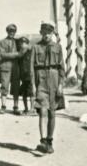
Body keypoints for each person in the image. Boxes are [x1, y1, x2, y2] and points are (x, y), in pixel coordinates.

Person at [30, 22, 65, 154]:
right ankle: (43, 140)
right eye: (44, 33)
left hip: (54, 80)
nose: (46, 35)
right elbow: (31, 69)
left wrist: (61, 84)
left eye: (49, 33)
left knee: (52, 112)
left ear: (52, 34)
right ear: (41, 33)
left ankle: (49, 141)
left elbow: (62, 68)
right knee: (43, 111)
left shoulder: (58, 47)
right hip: (41, 80)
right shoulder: (35, 47)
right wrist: (33, 85)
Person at [0, 24, 21, 113]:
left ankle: (16, 107)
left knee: (16, 87)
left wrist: (17, 54)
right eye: (10, 31)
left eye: (13, 31)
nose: (12, 33)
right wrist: (16, 54)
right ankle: (3, 106)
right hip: (5, 67)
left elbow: (23, 52)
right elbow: (2, 55)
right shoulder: (2, 42)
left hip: (16, 67)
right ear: (7, 31)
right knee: (4, 87)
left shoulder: (18, 42)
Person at [16, 36, 34, 114]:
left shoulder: (31, 51)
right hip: (23, 75)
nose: (23, 45)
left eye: (24, 43)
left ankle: (32, 108)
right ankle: (26, 108)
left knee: (31, 92)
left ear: (27, 44)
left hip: (30, 74)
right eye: (21, 43)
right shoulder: (19, 54)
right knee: (24, 93)